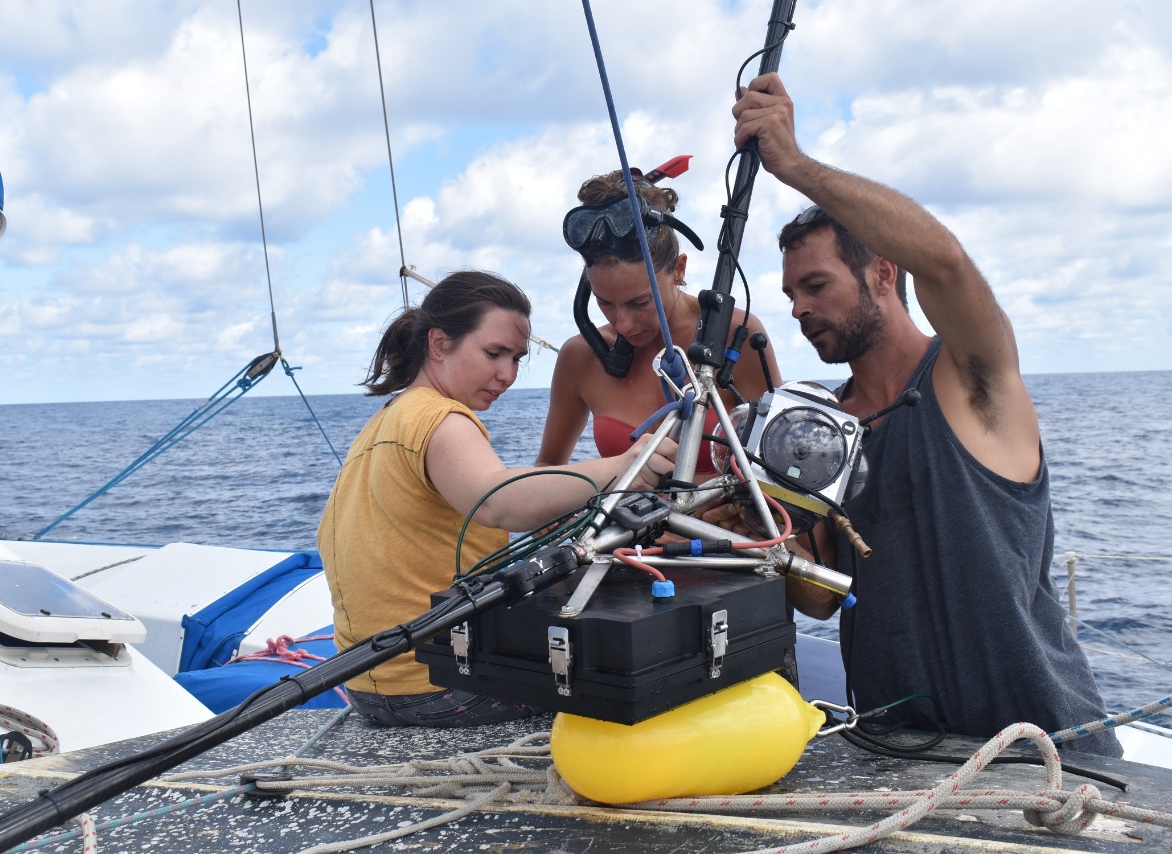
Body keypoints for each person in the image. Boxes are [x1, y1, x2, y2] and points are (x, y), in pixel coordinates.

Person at [724, 73, 1121, 756]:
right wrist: (759, 534)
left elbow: (947, 264)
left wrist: (795, 166)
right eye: (790, 293)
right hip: (896, 751)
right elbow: (821, 598)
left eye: (816, 285)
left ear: (883, 271)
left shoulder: (971, 374)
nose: (797, 309)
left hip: (1044, 752)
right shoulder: (823, 427)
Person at [318, 270, 678, 727]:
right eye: (493, 354)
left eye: (516, 359)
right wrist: (622, 466)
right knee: (652, 677)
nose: (506, 375)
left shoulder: (385, 422)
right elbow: (497, 500)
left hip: (369, 685)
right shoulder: (441, 418)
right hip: (437, 686)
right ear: (439, 344)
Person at [535, 170, 780, 479]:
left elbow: (778, 463)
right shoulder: (580, 355)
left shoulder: (735, 334)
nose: (623, 324)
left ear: (679, 269)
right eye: (605, 303)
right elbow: (547, 466)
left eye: (639, 303)